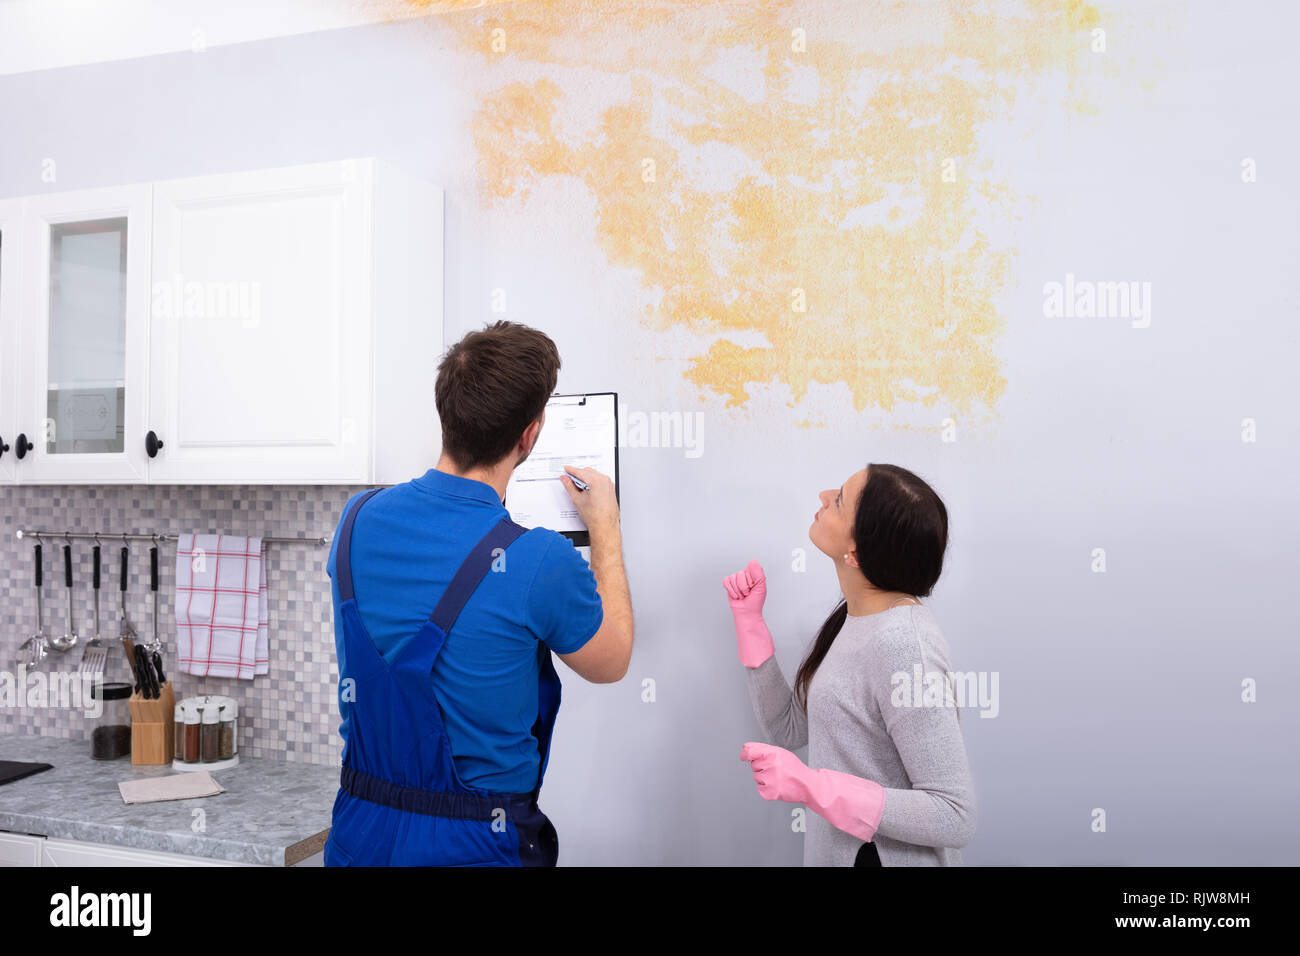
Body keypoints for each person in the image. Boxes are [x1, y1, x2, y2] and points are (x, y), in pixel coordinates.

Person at [323, 320, 633, 866]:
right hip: (472, 846)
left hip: (359, 834)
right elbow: (612, 660)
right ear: (530, 435)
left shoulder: (357, 519)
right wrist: (604, 525)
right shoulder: (540, 559)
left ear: (445, 412)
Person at [727, 463, 975, 866]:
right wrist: (750, 623)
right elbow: (787, 729)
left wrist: (814, 787)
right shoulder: (853, 618)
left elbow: (954, 815)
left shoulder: (905, 645)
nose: (824, 496)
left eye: (839, 499)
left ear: (856, 553)